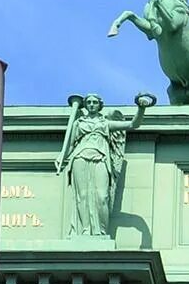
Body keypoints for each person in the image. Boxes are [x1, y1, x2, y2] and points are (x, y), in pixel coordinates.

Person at [54, 93, 154, 237]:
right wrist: (61, 156)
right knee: (82, 195)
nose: (92, 104)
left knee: (102, 196)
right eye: (89, 102)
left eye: (95, 102)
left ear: (100, 105)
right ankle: (85, 230)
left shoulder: (105, 123)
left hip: (100, 157)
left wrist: (141, 108)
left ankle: (100, 231)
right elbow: (70, 145)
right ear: (85, 104)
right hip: (79, 157)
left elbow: (133, 124)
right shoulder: (78, 123)